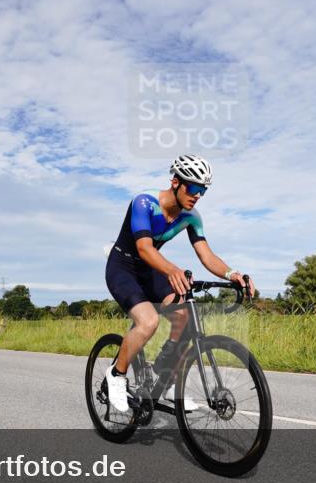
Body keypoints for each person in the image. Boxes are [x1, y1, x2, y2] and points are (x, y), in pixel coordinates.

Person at [104, 155, 255, 412]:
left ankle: (167, 376)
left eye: (203, 190)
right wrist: (173, 270)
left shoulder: (191, 217)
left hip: (151, 269)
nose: (198, 195)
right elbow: (144, 248)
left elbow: (206, 254)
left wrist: (232, 274)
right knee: (148, 321)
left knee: (184, 315)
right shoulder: (144, 203)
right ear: (175, 182)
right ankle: (116, 376)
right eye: (194, 188)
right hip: (124, 267)